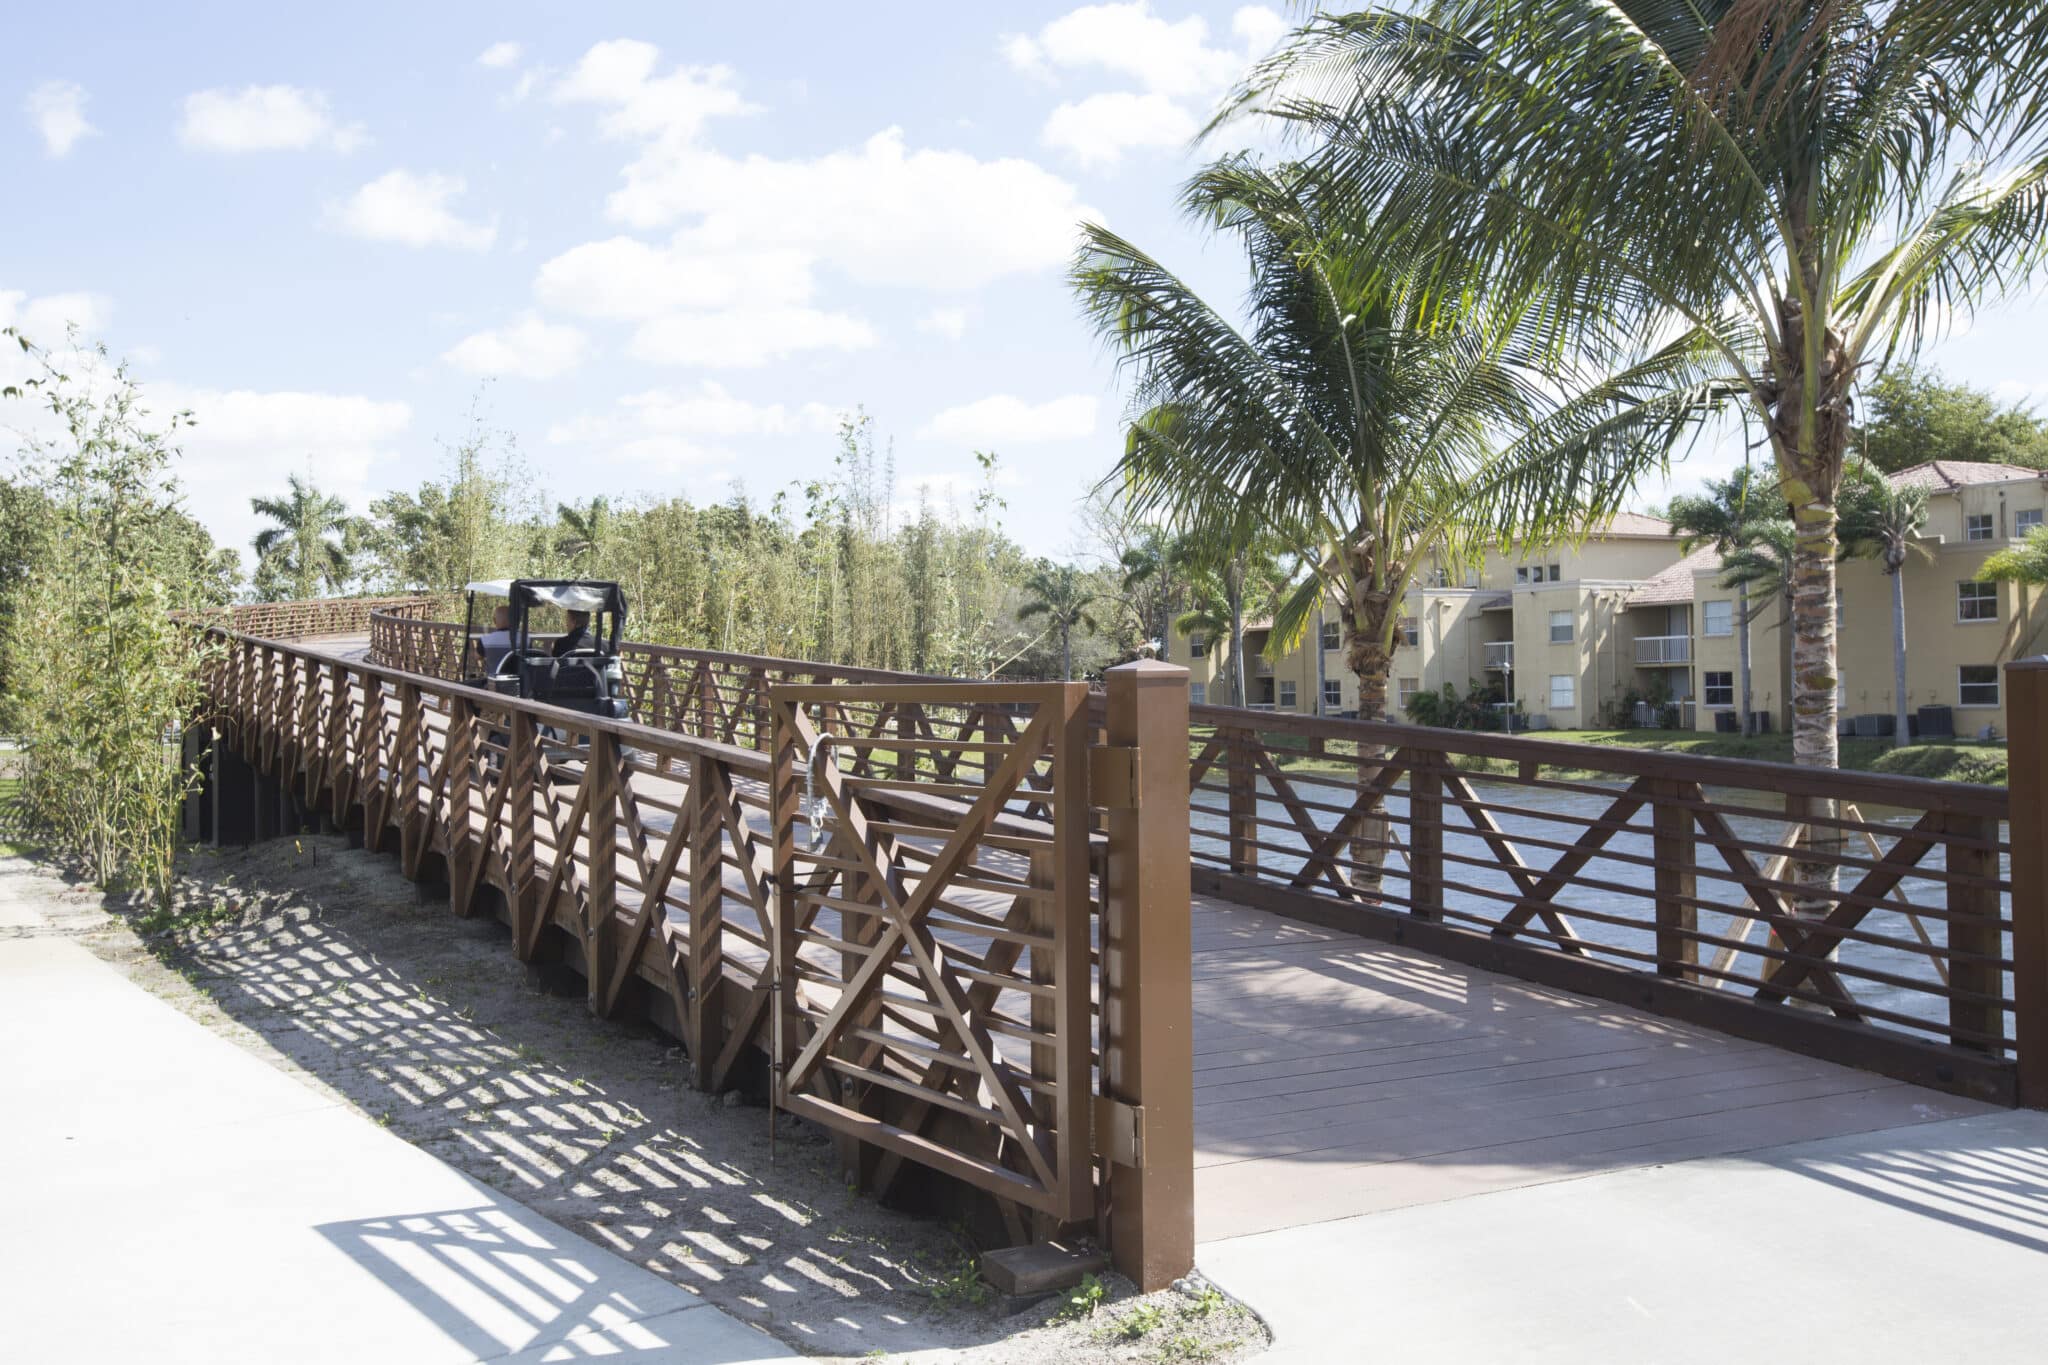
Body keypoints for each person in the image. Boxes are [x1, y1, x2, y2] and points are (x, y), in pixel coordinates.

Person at [474, 605, 514, 675]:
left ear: (494, 621)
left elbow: (477, 656)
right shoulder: (525, 640)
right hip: (518, 683)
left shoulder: (485, 640)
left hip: (493, 683)